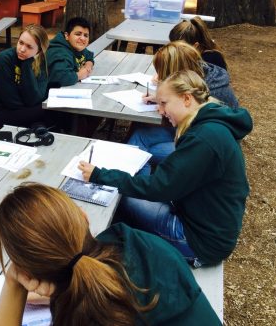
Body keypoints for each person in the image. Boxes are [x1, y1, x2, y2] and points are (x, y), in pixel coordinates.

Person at [79, 70, 252, 267]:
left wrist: (100, 175)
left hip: (197, 242)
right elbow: (169, 181)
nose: (160, 111)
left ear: (186, 99)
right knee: (128, 191)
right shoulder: (209, 124)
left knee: (122, 199)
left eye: (164, 103)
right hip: (204, 225)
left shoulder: (204, 139)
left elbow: (158, 187)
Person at [0, 183, 220, 326]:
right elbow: (110, 284)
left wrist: (14, 283)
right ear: (83, 216)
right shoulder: (139, 243)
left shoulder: (80, 316)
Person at [127, 40, 238, 171]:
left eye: (163, 72)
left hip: (204, 145)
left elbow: (194, 129)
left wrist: (166, 105)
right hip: (189, 132)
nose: (160, 76)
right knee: (139, 136)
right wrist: (162, 100)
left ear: (175, 71)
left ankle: (142, 186)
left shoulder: (211, 91)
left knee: (144, 153)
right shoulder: (198, 77)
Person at [0, 24, 52, 133]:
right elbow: (12, 102)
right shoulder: (4, 60)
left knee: (51, 114)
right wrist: (26, 63)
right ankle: (38, 124)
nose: (22, 49)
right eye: (21, 43)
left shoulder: (41, 62)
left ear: (39, 51)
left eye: (29, 47)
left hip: (25, 110)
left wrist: (27, 63)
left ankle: (38, 125)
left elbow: (38, 97)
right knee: (49, 112)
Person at [46, 16, 94, 87]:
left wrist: (88, 64)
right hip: (46, 95)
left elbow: (89, 55)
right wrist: (79, 75)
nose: (83, 38)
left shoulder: (76, 47)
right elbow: (60, 78)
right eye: (78, 34)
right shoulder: (59, 52)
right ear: (67, 36)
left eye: (86, 35)